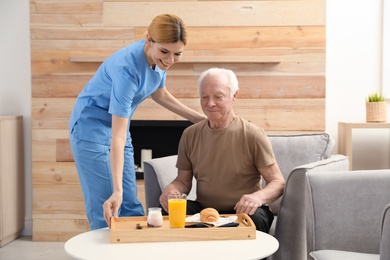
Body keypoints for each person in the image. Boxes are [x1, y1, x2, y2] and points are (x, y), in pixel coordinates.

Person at [69, 14, 205, 230]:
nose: (170, 60)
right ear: (149, 39)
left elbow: (160, 94)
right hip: (90, 127)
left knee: (130, 204)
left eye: (177, 54)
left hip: (119, 127)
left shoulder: (157, 60)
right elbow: (118, 137)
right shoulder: (127, 70)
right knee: (108, 205)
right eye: (165, 52)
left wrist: (198, 118)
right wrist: (117, 190)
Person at [159, 68, 286, 232]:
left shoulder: (253, 134)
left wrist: (257, 198)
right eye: (204, 97)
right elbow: (183, 181)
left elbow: (278, 182)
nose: (210, 103)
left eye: (218, 97)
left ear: (234, 96)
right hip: (204, 211)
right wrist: (171, 190)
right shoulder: (190, 134)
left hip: (243, 212)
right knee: (168, 211)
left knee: (254, 218)